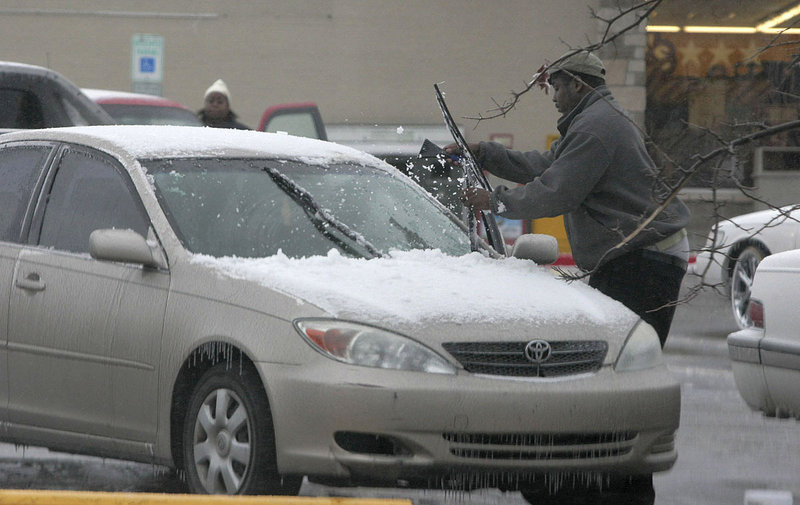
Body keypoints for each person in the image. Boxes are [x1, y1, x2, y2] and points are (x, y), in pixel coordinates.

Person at [450, 50, 690, 347]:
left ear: (577, 84)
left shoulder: (595, 127)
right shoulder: (594, 119)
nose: (553, 97)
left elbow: (555, 193)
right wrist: (486, 154)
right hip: (636, 250)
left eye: (557, 87)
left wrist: (495, 201)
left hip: (645, 255)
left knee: (625, 352)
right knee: (614, 350)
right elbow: (547, 165)